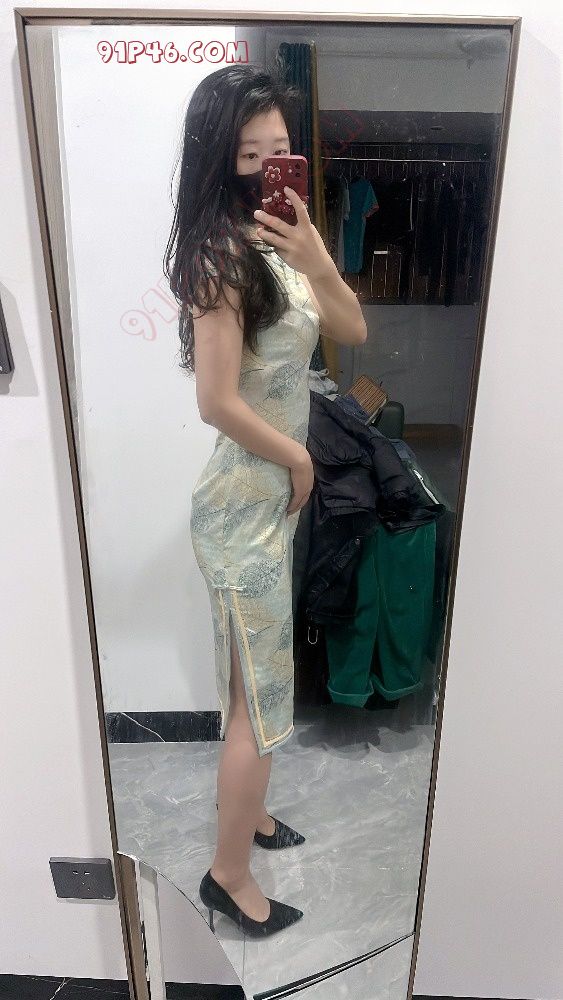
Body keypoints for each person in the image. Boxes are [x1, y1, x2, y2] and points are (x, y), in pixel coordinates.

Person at [163, 64, 367, 938]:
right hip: (243, 505)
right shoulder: (217, 256)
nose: (267, 167)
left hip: (270, 496)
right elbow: (215, 402)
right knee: (257, 696)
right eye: (249, 154)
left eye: (280, 149)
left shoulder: (285, 243)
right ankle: (227, 876)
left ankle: (250, 819)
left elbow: (352, 330)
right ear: (220, 158)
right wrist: (299, 458)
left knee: (256, 678)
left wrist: (314, 252)